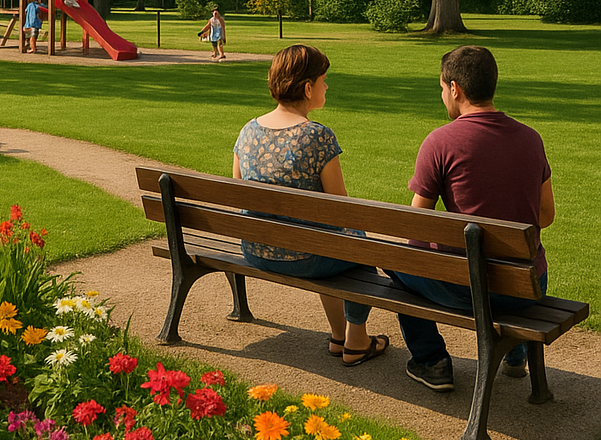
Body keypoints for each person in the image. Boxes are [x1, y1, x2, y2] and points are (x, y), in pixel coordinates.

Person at [388, 46, 555, 392]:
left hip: (466, 287)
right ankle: (515, 354)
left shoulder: (440, 142)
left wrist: (422, 257)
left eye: (441, 89)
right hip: (527, 287)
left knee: (398, 272)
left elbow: (417, 222)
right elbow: (547, 215)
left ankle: (432, 362)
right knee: (520, 264)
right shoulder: (531, 139)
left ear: (455, 89)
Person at [234, 44, 388, 366]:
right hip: (304, 256)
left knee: (326, 238)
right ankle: (356, 341)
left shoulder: (248, 132)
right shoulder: (318, 137)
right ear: (308, 88)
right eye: (324, 80)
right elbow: (340, 209)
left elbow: (238, 193)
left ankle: (337, 335)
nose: (327, 86)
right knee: (357, 249)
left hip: (256, 249)